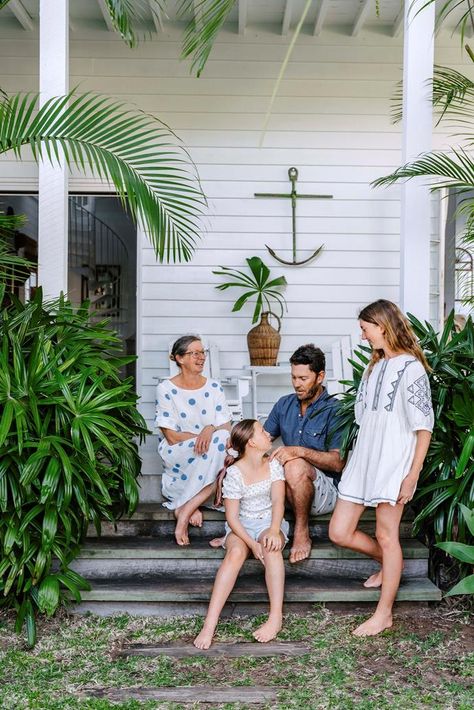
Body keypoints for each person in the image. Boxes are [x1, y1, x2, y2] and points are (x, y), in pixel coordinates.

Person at [329, 299, 434, 637]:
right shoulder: (373, 368)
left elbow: (424, 426)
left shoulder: (412, 368)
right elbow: (365, 417)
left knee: (387, 535)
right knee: (339, 531)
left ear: (383, 325)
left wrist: (412, 473)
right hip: (364, 459)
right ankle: (391, 568)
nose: (362, 336)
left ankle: (384, 613)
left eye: (365, 329)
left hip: (394, 462)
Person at [193, 419, 288, 650]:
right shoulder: (234, 473)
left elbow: (278, 501)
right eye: (261, 431)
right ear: (251, 442)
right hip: (241, 525)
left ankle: (275, 618)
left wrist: (274, 530)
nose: (268, 433)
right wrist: (250, 544)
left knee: (271, 546)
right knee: (236, 552)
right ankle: (210, 623)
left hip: (269, 521)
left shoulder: (273, 465)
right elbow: (232, 518)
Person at [264, 344, 345, 563]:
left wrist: (298, 451)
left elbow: (337, 463)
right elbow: (261, 441)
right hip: (285, 490)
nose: (297, 385)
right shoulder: (284, 404)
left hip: (323, 494)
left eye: (303, 378)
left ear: (320, 377)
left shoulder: (335, 410)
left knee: (295, 464)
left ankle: (301, 531)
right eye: (294, 378)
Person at [155, 335, 232, 546]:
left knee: (223, 439)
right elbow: (170, 436)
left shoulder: (214, 388)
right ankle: (191, 502)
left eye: (202, 352)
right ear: (180, 358)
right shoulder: (166, 389)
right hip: (179, 451)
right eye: (194, 353)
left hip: (211, 449)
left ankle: (186, 508)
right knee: (219, 443)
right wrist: (205, 436)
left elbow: (226, 427)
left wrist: (210, 430)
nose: (201, 357)